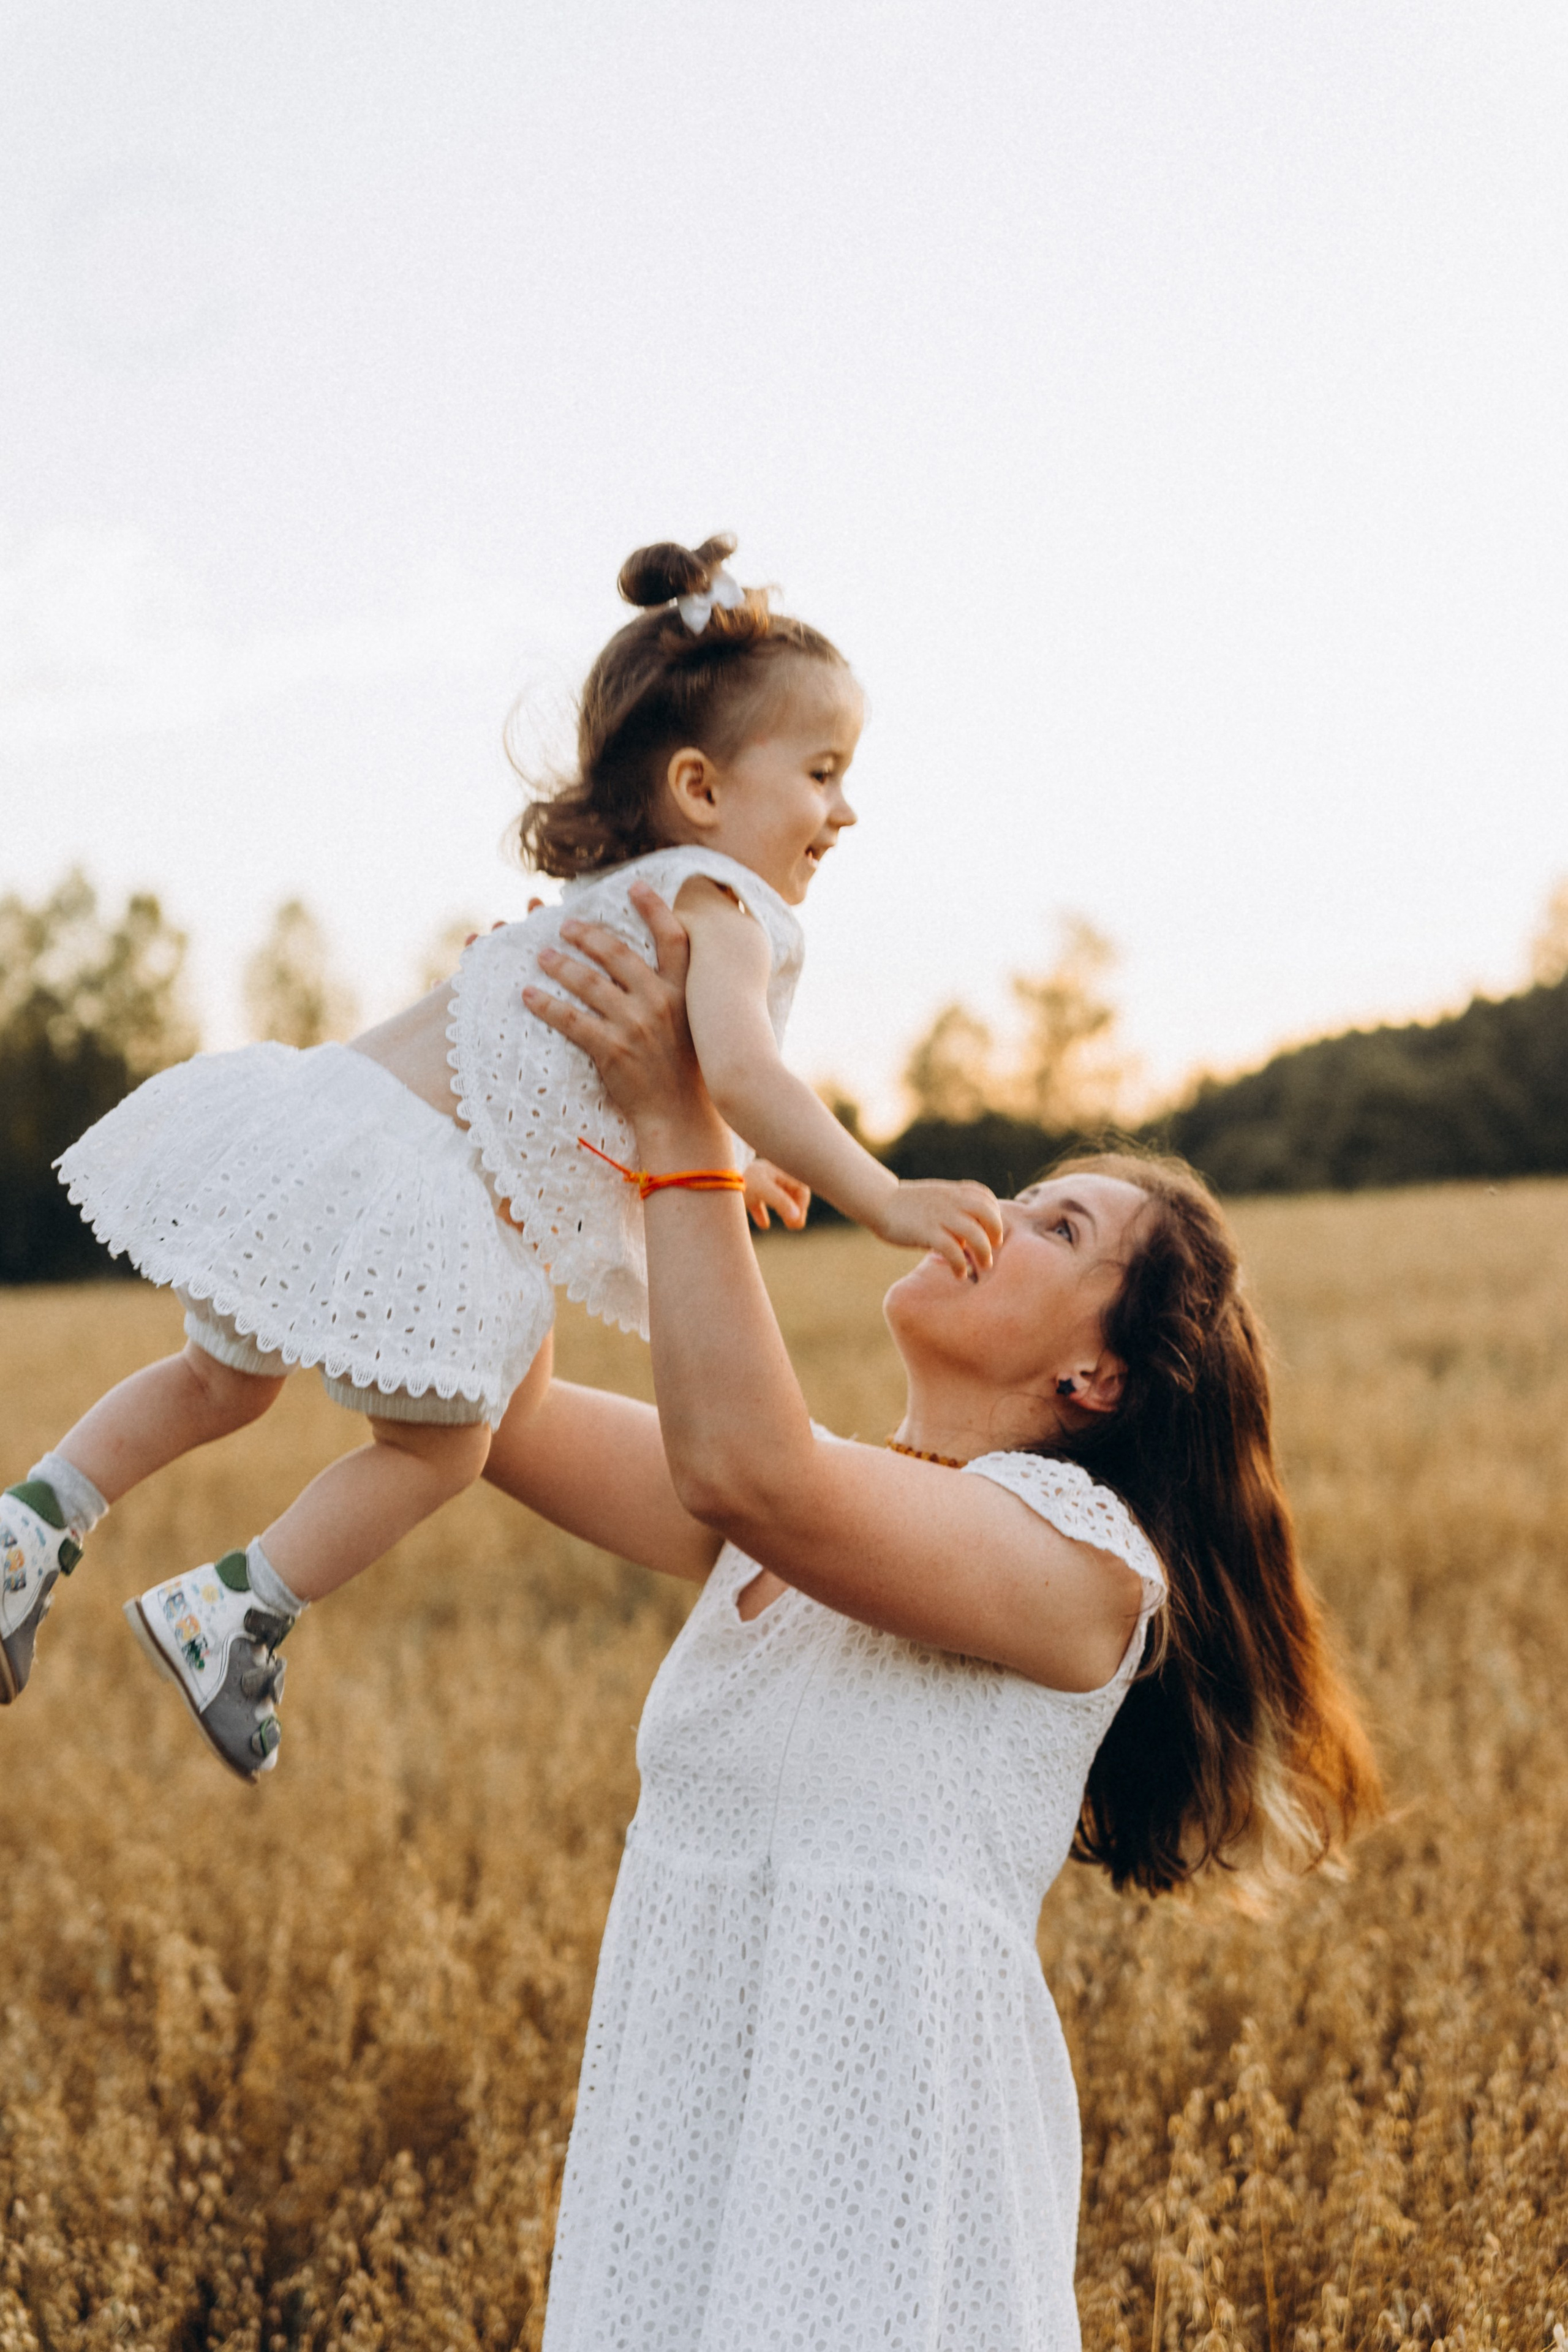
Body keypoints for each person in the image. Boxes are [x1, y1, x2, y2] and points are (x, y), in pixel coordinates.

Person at [471, 882, 1382, 2350]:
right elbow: (484, 1407)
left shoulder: (1088, 1568)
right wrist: (528, 1079)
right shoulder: (808, 1503)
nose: (986, 1210)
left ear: (1099, 1377)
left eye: (1050, 1224)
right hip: (682, 2181)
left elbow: (742, 1464)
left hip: (878, 2210)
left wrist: (681, 1127)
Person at [0, 537, 1000, 1778]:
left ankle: (30, 1526)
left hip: (343, 1118)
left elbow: (610, 1085)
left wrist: (735, 1170)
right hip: (434, 1189)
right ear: (699, 785)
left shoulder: (623, 895)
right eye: (820, 771)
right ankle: (235, 1609)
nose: (843, 809)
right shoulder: (724, 910)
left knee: (218, 1379)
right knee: (441, 1451)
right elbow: (741, 1073)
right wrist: (882, 1192)